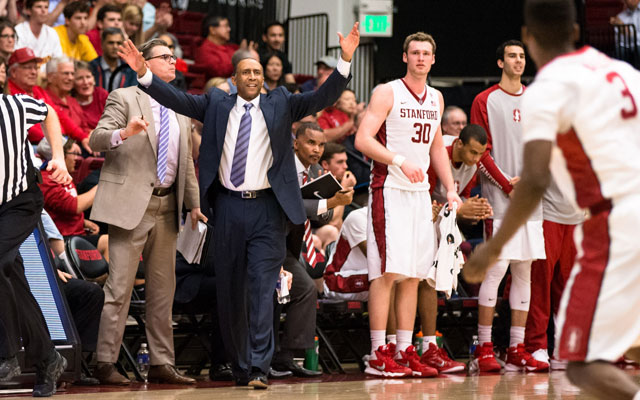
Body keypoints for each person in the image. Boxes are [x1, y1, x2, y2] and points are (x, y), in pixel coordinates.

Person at [117, 22, 360, 389]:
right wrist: (143, 73)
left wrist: (345, 59)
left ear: (264, 78)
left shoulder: (282, 103)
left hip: (267, 210)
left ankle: (260, 368)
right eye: (245, 72)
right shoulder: (217, 102)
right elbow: (177, 99)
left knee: (263, 287)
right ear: (234, 78)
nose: (252, 77)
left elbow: (321, 98)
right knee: (230, 291)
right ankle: (241, 365)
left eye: (258, 72)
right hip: (228, 208)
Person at [465, 0, 640, 398]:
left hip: (612, 223)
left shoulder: (547, 92)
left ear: (529, 37)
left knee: (581, 366)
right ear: (576, 31)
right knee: (619, 348)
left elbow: (534, 179)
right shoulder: (625, 73)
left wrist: (491, 248)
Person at [89, 38, 204, 386]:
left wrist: (194, 205)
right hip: (131, 206)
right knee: (120, 287)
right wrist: (124, 133)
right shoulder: (124, 97)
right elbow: (96, 139)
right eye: (166, 57)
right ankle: (105, 361)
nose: (173, 62)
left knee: (162, 289)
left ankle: (161, 363)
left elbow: (186, 164)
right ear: (145, 61)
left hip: (168, 205)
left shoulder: (181, 108)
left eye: (174, 56)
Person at [354, 31, 462, 378]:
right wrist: (399, 160)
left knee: (414, 276)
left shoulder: (436, 98)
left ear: (433, 59)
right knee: (387, 272)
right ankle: (377, 353)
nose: (419, 58)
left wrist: (449, 187)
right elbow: (362, 139)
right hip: (389, 189)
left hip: (419, 195)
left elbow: (435, 149)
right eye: (414, 52)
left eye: (425, 53)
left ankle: (403, 350)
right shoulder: (387, 92)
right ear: (404, 57)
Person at [469, 39, 548, 373]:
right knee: (498, 267)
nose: (518, 60)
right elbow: (478, 149)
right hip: (500, 196)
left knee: (524, 269)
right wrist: (505, 184)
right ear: (500, 62)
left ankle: (516, 347)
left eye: (521, 56)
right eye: (512, 56)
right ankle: (484, 347)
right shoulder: (484, 100)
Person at [0, 89, 71, 396]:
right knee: (11, 276)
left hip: (19, 201)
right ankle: (47, 357)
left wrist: (58, 156)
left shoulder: (14, 105)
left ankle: (5, 354)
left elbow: (49, 112)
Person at [271, 122, 352, 378]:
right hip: (268, 240)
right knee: (276, 293)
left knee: (305, 289)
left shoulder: (317, 171)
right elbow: (288, 204)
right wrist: (328, 202)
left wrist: (331, 202)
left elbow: (323, 217)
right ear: (296, 143)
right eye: (311, 143)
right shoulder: (281, 166)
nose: (316, 149)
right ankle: (266, 358)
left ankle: (287, 357)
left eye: (320, 144)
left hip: (289, 245)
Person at [8, 47, 92, 152]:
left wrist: (83, 137)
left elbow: (58, 115)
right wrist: (62, 143)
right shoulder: (9, 93)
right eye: (28, 68)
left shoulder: (37, 90)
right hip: (33, 146)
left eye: (35, 68)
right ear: (14, 72)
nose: (34, 72)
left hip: (56, 142)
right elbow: (27, 128)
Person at [37, 138, 109, 260]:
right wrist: (104, 183)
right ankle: (102, 279)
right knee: (110, 243)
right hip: (64, 240)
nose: (76, 158)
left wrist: (84, 222)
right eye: (73, 154)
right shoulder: (47, 180)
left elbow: (60, 212)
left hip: (79, 234)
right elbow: (74, 206)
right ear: (60, 156)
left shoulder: (62, 176)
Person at [322, 206, 369, 301]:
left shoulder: (400, 221)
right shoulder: (359, 217)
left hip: (371, 273)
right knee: (391, 279)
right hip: (337, 280)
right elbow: (376, 259)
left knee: (396, 278)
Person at [44, 56, 91, 135]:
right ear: (50, 77)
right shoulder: (43, 99)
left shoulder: (72, 101)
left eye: (72, 74)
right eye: (65, 73)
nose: (70, 78)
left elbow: (85, 129)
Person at [14, 0, 63, 72]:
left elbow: (58, 60)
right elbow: (17, 60)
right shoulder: (19, 31)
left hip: (48, 78)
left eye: (46, 7)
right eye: (39, 7)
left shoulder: (52, 33)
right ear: (28, 11)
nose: (43, 11)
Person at [319, 141, 357, 230]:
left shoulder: (338, 183)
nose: (345, 166)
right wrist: (344, 189)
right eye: (340, 162)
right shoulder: (318, 184)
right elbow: (334, 222)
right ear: (325, 164)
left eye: (345, 161)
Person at [90, 27, 137, 92]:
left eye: (118, 43)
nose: (115, 47)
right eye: (111, 43)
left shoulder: (130, 70)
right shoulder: (91, 68)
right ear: (102, 44)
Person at [73, 60, 108, 130]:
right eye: (80, 78)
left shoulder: (102, 95)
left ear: (94, 80)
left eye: (88, 77)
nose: (85, 82)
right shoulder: (70, 102)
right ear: (72, 83)